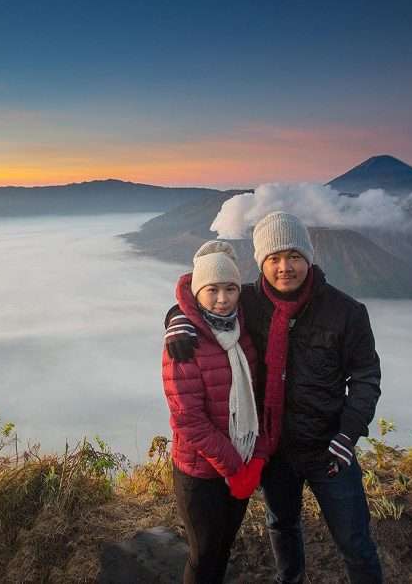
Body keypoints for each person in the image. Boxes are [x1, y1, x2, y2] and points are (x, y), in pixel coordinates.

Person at [165, 212, 383, 584]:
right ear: (261, 262)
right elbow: (205, 299)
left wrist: (348, 435)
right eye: (274, 258)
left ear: (309, 257)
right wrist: (175, 319)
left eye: (294, 256)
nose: (285, 267)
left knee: (355, 540)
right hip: (275, 451)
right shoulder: (248, 302)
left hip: (328, 447)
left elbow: (365, 377)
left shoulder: (345, 312)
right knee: (282, 526)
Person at [162, 240, 269, 584]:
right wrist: (236, 468)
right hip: (201, 474)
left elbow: (257, 395)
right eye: (212, 290)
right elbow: (187, 418)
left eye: (230, 289)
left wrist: (254, 460)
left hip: (240, 464)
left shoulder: (242, 333)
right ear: (197, 292)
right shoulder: (184, 342)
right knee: (204, 552)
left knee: (224, 546)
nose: (222, 299)